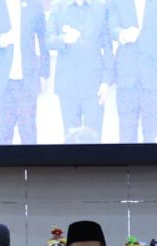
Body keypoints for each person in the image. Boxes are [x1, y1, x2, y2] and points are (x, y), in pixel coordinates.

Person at [0, 0, 50, 144]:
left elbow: (44, 41)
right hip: (2, 83)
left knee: (29, 132)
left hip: (27, 82)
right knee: (3, 133)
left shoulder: (34, 4)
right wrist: (3, 39)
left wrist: (44, 74)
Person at [109, 0, 157, 143]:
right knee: (126, 134)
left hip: (153, 78)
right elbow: (110, 26)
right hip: (127, 76)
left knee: (152, 134)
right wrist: (123, 34)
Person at [46, 0, 115, 141]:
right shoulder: (58, 7)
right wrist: (64, 39)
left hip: (94, 85)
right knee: (70, 137)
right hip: (67, 84)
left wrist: (106, 81)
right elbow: (48, 40)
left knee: (94, 137)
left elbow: (108, 47)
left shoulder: (101, 7)